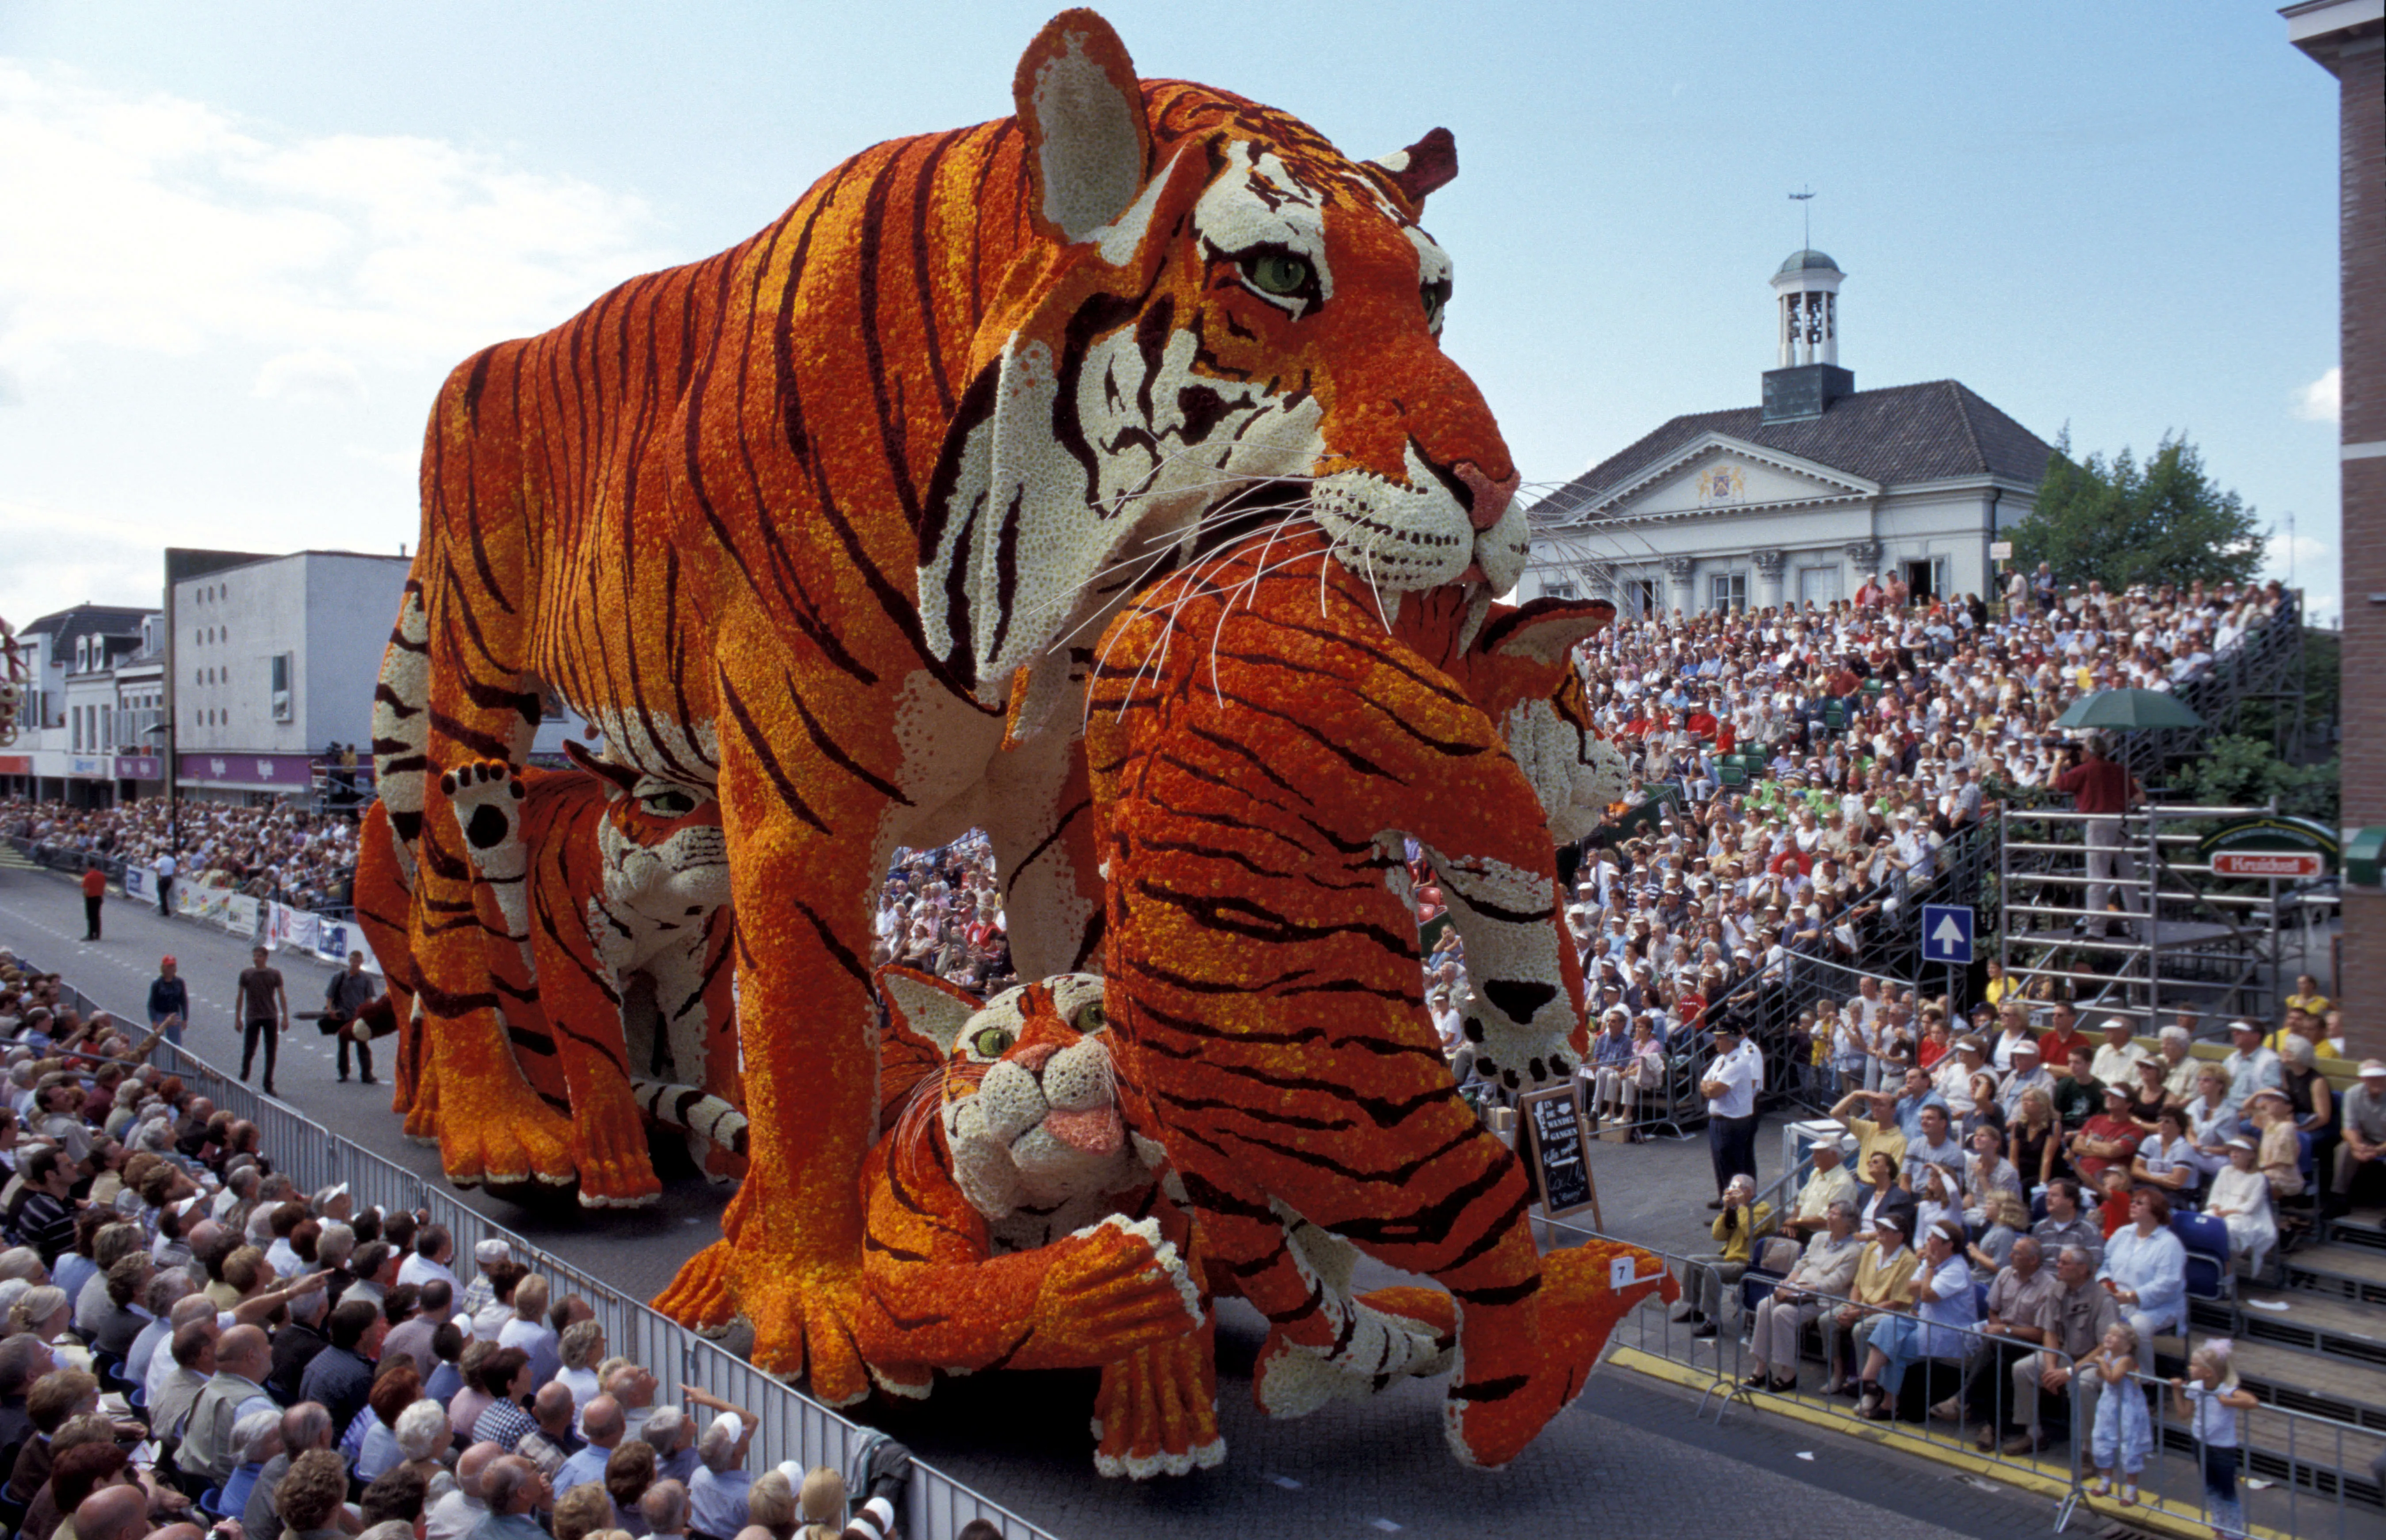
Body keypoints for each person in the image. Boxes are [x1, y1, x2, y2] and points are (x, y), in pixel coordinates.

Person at [1742, 1199, 1863, 1391]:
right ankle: (1761, 1368)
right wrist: (1788, 1282)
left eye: (1835, 1214)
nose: (1829, 1217)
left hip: (1824, 1298)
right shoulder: (1819, 1239)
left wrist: (1802, 1290)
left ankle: (1788, 1372)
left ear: (1849, 1222)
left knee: (1783, 1314)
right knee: (1765, 1305)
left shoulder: (1854, 1251)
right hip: (1798, 1290)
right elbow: (1802, 1264)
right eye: (1829, 1212)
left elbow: (1835, 1283)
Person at [2050, 735, 2139, 938]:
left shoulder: (2085, 770)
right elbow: (2135, 794)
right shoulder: (2120, 769)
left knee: (2097, 877)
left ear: (2089, 751)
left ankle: (2096, 929)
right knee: (2129, 878)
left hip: (2099, 822)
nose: (2080, 753)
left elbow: (2056, 783)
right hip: (2122, 821)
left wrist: (2058, 759)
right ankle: (2138, 927)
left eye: (2082, 750)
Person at [1824, 1211, 1919, 1396]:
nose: (1880, 1231)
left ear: (1900, 1236)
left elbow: (1896, 1303)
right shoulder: (1871, 1249)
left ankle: (1868, 1386)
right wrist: (1852, 1308)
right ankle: (1838, 1374)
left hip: (1888, 1313)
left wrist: (1859, 1313)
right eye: (1879, 1228)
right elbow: (1858, 1286)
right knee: (1827, 1320)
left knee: (1862, 1330)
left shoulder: (1909, 1261)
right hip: (1862, 1307)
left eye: (1886, 1229)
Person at [2169, 1338, 2256, 1540]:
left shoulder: (2225, 1390)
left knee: (2227, 1490)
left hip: (2222, 1447)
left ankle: (2235, 1533)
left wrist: (2230, 1401)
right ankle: (2218, 1527)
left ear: (2208, 1372)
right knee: (2210, 1487)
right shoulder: (2196, 1386)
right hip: (2200, 1442)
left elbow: (2252, 1401)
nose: (2190, 1368)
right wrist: (2176, 1391)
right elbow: (2184, 1414)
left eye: (2194, 1365)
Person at [1675, 1173, 1770, 1338]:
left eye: (1736, 1188)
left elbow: (1750, 1231)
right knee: (1693, 1261)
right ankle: (1695, 1309)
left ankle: (1714, 1321)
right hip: (1730, 1257)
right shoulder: (1735, 1208)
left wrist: (1741, 1206)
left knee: (1713, 1270)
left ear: (1748, 1191)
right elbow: (1718, 1235)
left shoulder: (1763, 1209)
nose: (1732, 1192)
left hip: (1747, 1262)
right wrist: (1727, 1209)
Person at [2098, 1187, 2187, 1340]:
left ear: (2156, 1211)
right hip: (2116, 1300)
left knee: (2135, 1328)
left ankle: (2141, 1366)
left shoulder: (2170, 1244)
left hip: (2157, 1308)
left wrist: (2129, 1297)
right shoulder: (2122, 1233)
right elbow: (2104, 1262)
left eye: (2140, 1203)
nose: (2133, 1205)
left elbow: (2167, 1283)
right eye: (2132, 1202)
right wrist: (2105, 1281)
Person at [2083, 1319, 2150, 1506]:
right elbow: (2101, 1376)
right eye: (2108, 1334)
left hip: (2128, 1406)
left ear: (2127, 1345)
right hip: (2109, 1404)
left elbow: (2113, 1378)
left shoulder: (2126, 1360)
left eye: (2115, 1336)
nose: (2109, 1337)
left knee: (2130, 1444)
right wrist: (2101, 1366)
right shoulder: (2107, 1355)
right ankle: (2106, 1480)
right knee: (2104, 1438)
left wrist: (2101, 1364)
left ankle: (2131, 1490)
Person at [1700, 1021, 1760, 1206]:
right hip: (1721, 1120)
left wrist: (1709, 1088)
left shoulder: (1738, 1063)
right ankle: (1725, 1199)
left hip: (1733, 1122)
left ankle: (1737, 1207)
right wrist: (1709, 1087)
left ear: (1731, 1040)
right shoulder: (1721, 1060)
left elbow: (1713, 1091)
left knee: (1735, 1167)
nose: (1716, 1042)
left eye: (1720, 1038)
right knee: (1721, 1164)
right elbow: (1704, 1083)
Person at [2333, 1060, 2386, 1215]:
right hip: (2368, 1139)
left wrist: (2379, 1150)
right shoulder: (2352, 1094)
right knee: (2343, 1150)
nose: (2377, 1081)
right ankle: (2339, 1199)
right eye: (2371, 1078)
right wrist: (2357, 1146)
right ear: (2362, 1079)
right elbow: (2349, 1127)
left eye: (2381, 1077)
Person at [233, 946, 286, 1097]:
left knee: (271, 1051)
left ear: (266, 958)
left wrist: (285, 1016)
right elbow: (240, 997)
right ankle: (244, 1076)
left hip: (270, 1016)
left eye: (259, 956)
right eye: (254, 956)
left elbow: (282, 996)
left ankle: (268, 1083)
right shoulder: (246, 974)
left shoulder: (274, 974)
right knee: (249, 1050)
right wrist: (238, 1018)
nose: (256, 959)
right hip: (253, 1016)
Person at [1781, 1138, 1858, 1243]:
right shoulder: (1817, 1172)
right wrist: (1792, 1223)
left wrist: (1796, 1221)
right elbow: (1801, 1201)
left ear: (1833, 1155)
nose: (1813, 1156)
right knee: (1769, 1244)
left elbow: (1826, 1219)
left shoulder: (1842, 1183)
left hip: (1822, 1236)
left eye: (1819, 1153)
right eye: (1814, 1152)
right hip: (1802, 1228)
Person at [322, 954, 380, 1086]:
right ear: (350, 961)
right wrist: (330, 1010)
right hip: (343, 1016)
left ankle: (367, 1074)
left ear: (362, 962)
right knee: (343, 1046)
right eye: (354, 961)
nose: (356, 964)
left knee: (363, 1046)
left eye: (359, 961)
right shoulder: (340, 977)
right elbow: (330, 996)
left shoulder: (366, 979)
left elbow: (369, 999)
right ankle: (343, 1073)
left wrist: (370, 1015)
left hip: (359, 1018)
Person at [146, 959, 188, 1050]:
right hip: (160, 1015)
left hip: (174, 1015)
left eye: (173, 966)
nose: (171, 969)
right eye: (169, 966)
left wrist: (185, 1019)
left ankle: (174, 1063)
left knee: (175, 1045)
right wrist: (154, 1020)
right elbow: (151, 1004)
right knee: (158, 1042)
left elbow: (184, 1001)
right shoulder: (157, 984)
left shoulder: (179, 983)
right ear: (164, 968)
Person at [79, 860, 105, 942]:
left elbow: (86, 889)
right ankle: (97, 933)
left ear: (89, 867)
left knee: (91, 917)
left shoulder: (88, 877)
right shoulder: (101, 875)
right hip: (99, 897)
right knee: (97, 916)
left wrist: (84, 896)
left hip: (91, 897)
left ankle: (91, 934)